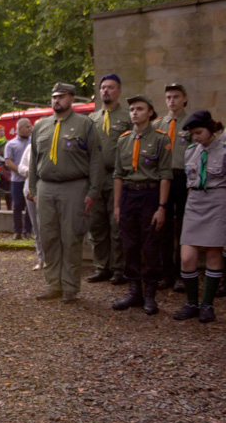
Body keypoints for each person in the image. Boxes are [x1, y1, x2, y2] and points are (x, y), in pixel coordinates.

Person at [30, 82, 103, 303]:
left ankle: (70, 286)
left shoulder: (85, 124)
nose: (56, 101)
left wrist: (93, 191)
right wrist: (33, 188)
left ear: (72, 99)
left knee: (71, 236)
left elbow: (96, 161)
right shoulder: (41, 126)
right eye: (54, 97)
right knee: (48, 236)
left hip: (74, 186)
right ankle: (53, 284)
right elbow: (34, 160)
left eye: (61, 96)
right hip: (46, 187)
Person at [111, 95, 172, 315]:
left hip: (150, 195)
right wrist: (117, 206)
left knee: (151, 245)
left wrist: (162, 207)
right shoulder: (123, 139)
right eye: (132, 109)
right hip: (129, 195)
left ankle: (150, 295)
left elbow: (165, 175)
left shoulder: (160, 139)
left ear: (150, 113)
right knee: (129, 245)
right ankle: (134, 292)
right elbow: (118, 174)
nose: (134, 112)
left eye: (139, 109)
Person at [171, 111, 226, 323]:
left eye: (199, 132)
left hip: (217, 202)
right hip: (195, 204)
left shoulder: (223, 150)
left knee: (213, 255)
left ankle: (207, 305)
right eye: (192, 134)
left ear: (211, 129)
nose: (195, 137)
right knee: (187, 258)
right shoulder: (191, 151)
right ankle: (191, 303)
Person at [87, 74, 132, 285]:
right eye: (103, 87)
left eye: (110, 88)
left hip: (118, 177)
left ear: (119, 91)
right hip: (96, 178)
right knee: (97, 224)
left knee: (117, 224)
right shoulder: (92, 119)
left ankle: (118, 268)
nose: (105, 91)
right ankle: (101, 267)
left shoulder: (127, 117)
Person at [153, 83, 191, 292]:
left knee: (183, 228)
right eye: (168, 97)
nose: (172, 101)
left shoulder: (191, 123)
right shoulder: (159, 124)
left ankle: (181, 274)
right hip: (164, 180)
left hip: (184, 179)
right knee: (163, 228)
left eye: (176, 97)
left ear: (184, 99)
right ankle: (165, 273)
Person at [4, 118, 33, 240]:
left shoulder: (33, 142)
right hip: (17, 180)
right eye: (27, 127)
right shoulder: (11, 144)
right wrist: (22, 172)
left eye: (30, 126)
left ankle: (27, 231)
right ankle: (17, 231)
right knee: (17, 205)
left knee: (29, 205)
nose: (30, 128)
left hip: (30, 180)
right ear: (19, 129)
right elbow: (8, 162)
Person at [18, 144, 46, 271]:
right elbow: (21, 167)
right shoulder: (30, 147)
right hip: (30, 190)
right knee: (36, 226)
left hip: (47, 190)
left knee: (50, 226)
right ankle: (41, 259)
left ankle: (54, 259)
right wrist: (29, 171)